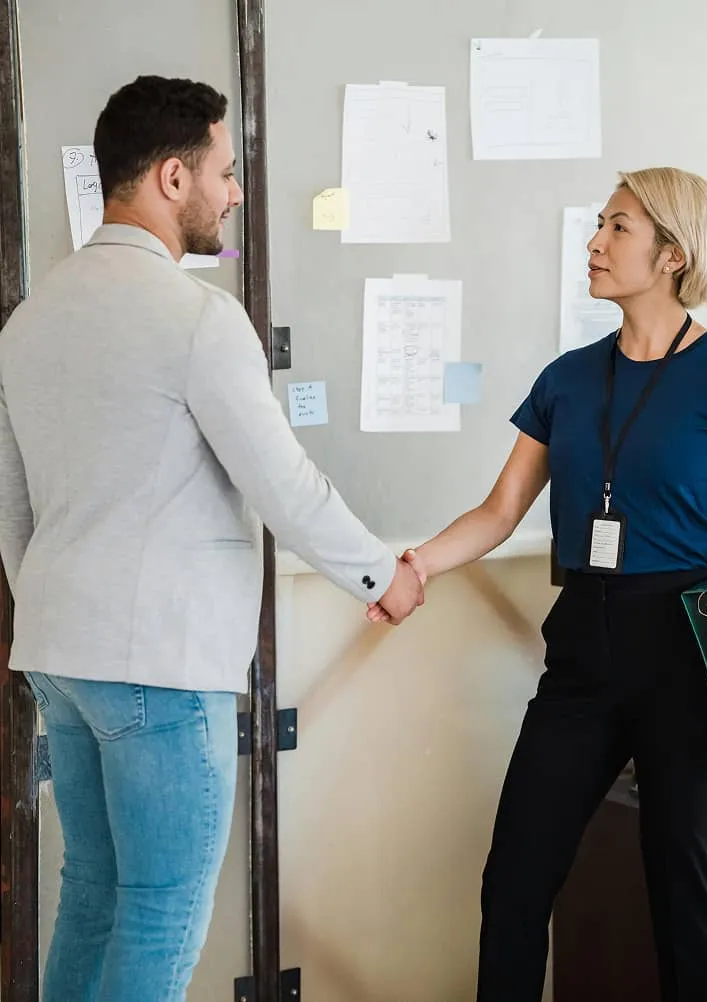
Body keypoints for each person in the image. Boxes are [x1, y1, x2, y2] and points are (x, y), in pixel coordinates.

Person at [0, 75, 423, 1002]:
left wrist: (51, 617)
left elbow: (13, 511)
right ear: (171, 178)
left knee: (94, 899)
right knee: (157, 916)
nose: (236, 191)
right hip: (159, 663)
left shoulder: (30, 320)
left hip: (60, 659)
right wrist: (378, 574)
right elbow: (283, 482)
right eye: (226, 173)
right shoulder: (196, 317)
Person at [368, 167, 707, 1001]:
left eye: (618, 228)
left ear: (672, 253)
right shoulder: (565, 377)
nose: (594, 244)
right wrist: (412, 566)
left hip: (686, 654)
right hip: (585, 648)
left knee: (682, 891)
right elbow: (498, 511)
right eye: (598, 224)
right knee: (515, 881)